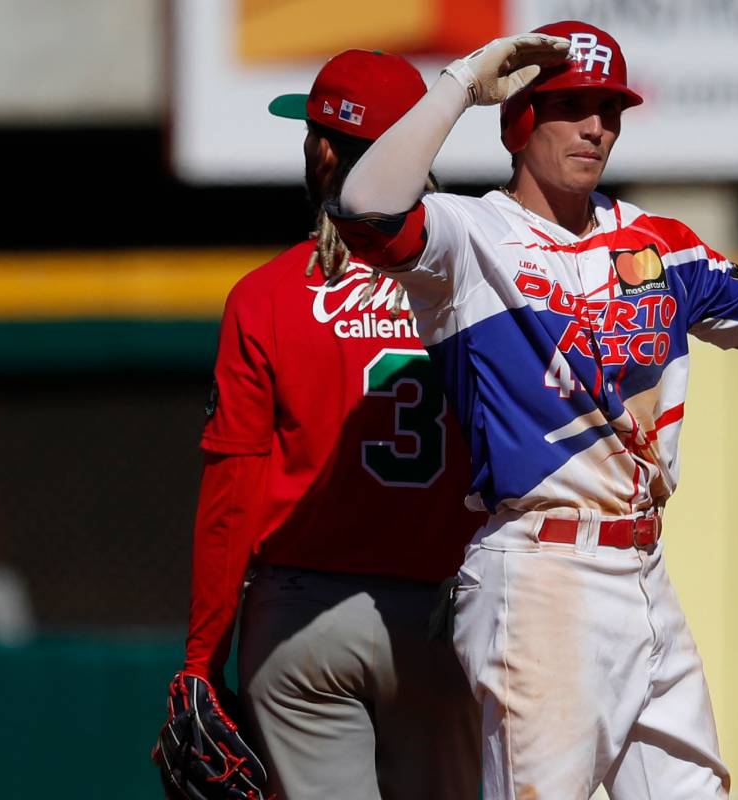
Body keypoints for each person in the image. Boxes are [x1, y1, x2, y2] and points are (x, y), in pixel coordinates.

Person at [329, 21, 738, 800]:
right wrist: (457, 85)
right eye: (572, 105)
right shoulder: (470, 238)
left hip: (645, 570)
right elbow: (365, 209)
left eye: (610, 109)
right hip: (541, 570)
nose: (596, 126)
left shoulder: (658, 242)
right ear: (520, 119)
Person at [165, 49, 484, 800]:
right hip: (447, 612)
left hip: (303, 617)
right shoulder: (482, 278)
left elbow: (231, 492)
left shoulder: (266, 295)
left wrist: (201, 658)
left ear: (324, 150)